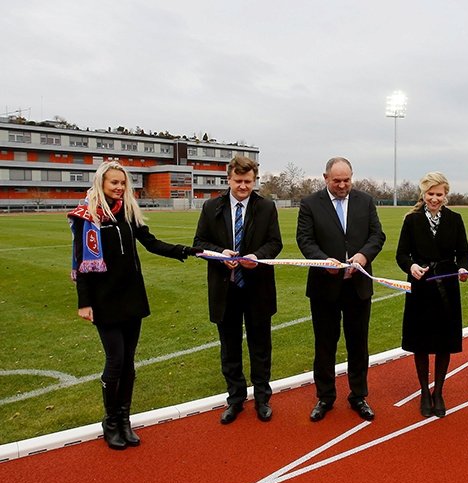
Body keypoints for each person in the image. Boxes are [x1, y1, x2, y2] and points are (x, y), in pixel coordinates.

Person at [69, 161, 200, 450]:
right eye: (113, 182)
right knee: (115, 361)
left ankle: (125, 420)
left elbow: (152, 244)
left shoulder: (128, 213)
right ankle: (111, 422)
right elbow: (81, 262)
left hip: (132, 297)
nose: (119, 187)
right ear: (101, 183)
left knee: (128, 362)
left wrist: (187, 251)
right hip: (104, 301)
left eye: (122, 183)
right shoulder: (87, 217)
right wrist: (84, 303)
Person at [296, 157, 386, 422]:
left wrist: (363, 256)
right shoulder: (310, 203)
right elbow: (305, 239)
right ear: (325, 178)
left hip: (358, 285)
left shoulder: (365, 201)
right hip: (324, 287)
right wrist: (324, 260)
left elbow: (377, 235)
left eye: (347, 180)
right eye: (337, 181)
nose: (342, 185)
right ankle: (325, 397)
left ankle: (358, 395)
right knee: (325, 345)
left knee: (358, 344)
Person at [193, 155, 282, 425]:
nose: (243, 186)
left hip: (257, 287)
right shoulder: (211, 207)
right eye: (238, 181)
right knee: (229, 347)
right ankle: (235, 398)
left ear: (255, 180)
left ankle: (263, 398)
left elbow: (275, 243)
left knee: (260, 346)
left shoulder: (266, 207)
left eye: (248, 181)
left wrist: (255, 256)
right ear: (228, 179)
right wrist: (221, 254)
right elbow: (199, 242)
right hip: (226, 287)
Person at [396, 172, 468, 418]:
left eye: (439, 194)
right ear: (423, 193)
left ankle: (438, 391)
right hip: (420, 287)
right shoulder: (412, 220)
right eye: (431, 194)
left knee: (443, 343)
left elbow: (464, 253)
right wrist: (411, 267)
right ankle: (423, 393)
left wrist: (462, 268)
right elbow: (402, 254)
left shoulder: (455, 219)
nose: (435, 199)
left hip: (447, 287)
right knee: (421, 342)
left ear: (446, 195)